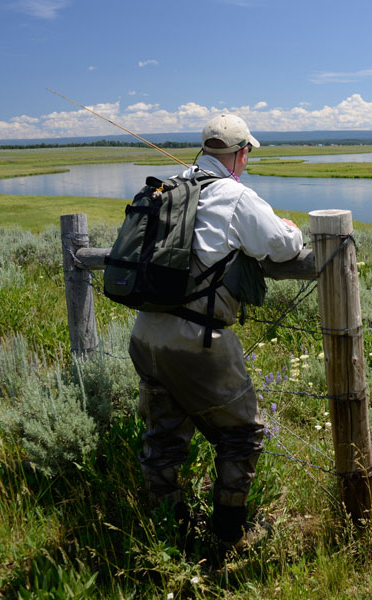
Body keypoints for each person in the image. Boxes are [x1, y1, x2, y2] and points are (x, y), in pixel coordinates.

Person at [128, 114, 303, 550]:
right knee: (242, 432)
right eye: (248, 155)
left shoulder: (171, 186)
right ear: (241, 153)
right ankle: (229, 533)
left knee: (164, 434)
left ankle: (170, 529)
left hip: (146, 333)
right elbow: (280, 246)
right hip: (196, 340)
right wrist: (293, 232)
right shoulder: (235, 196)